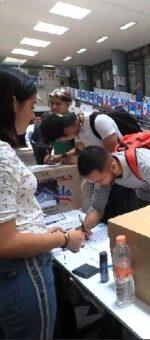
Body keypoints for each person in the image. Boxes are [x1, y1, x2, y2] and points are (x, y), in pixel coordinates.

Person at [0, 67, 85, 339]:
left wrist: (40, 234)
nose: (33, 113)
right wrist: (63, 239)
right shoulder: (1, 157)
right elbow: (5, 243)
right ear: (13, 103)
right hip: (22, 270)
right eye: (31, 104)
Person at [40, 111, 137, 222]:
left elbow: (114, 156)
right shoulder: (77, 130)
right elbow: (78, 150)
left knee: (122, 218)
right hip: (102, 179)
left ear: (66, 131)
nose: (61, 141)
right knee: (105, 217)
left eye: (60, 139)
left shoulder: (99, 123)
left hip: (120, 179)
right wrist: (61, 157)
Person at [76, 146, 150, 233]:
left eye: (99, 180)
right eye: (94, 182)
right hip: (143, 193)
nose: (98, 185)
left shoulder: (146, 165)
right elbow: (97, 207)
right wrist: (85, 227)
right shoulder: (103, 175)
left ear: (113, 167)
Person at [48, 87, 75, 156]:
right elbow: (56, 146)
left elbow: (81, 148)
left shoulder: (74, 122)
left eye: (58, 104)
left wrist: (61, 157)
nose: (54, 106)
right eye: (52, 103)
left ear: (68, 104)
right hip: (59, 163)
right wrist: (52, 156)